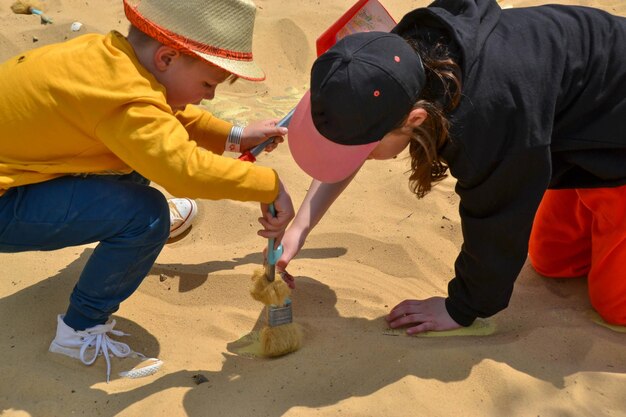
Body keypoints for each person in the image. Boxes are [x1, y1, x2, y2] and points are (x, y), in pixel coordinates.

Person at [280, 0, 626, 335]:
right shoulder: (394, 57)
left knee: (615, 306)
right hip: (589, 122)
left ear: (415, 119)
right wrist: (302, 227)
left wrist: (459, 308)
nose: (360, 158)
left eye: (366, 153)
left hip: (611, 138)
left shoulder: (485, 123)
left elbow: (498, 224)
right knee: (553, 261)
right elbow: (353, 134)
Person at [0, 0, 294, 381]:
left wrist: (233, 135)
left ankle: (128, 236)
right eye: (208, 84)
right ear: (167, 58)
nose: (209, 97)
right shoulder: (125, 99)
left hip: (22, 174)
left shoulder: (106, 55)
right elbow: (182, 170)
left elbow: (162, 111)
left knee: (142, 153)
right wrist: (269, 185)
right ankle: (79, 334)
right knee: (147, 216)